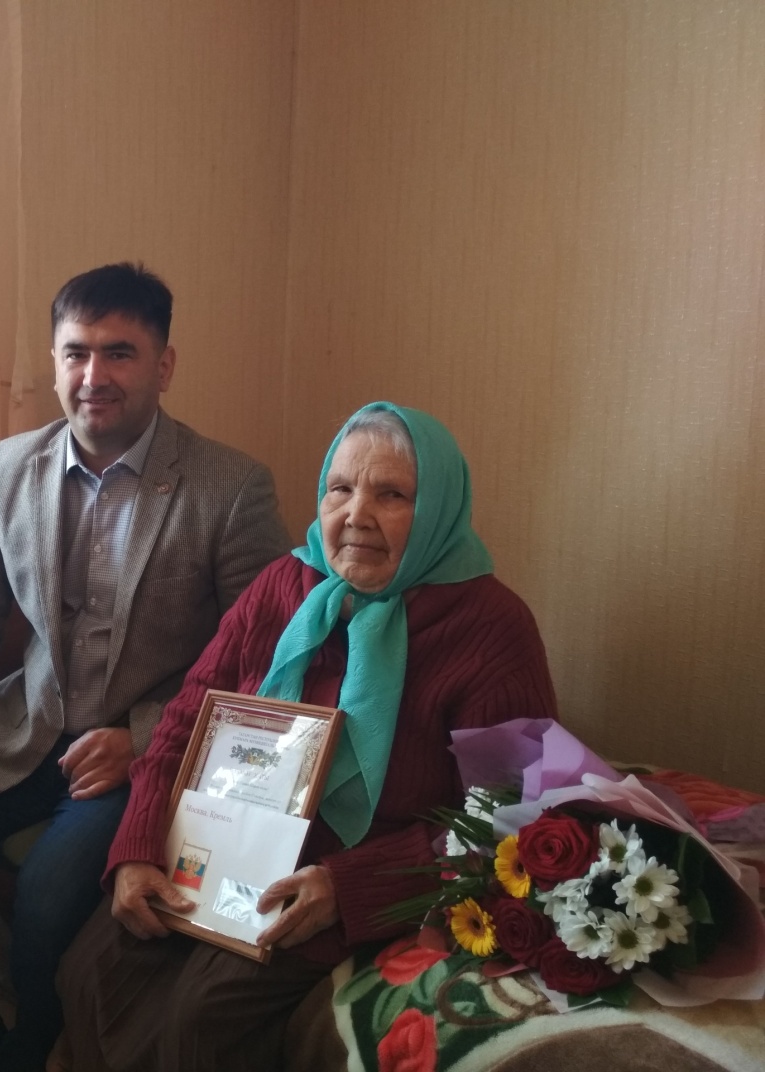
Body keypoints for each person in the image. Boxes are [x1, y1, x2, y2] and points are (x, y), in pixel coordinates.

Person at [0, 262, 293, 1072]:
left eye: (119, 353)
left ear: (163, 365)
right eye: (75, 353)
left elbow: (262, 660)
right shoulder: (8, 467)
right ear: (55, 361)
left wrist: (145, 739)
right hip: (24, 727)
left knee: (47, 900)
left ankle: (33, 1050)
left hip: (140, 755)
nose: (92, 376)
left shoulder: (230, 487)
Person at [60, 402, 559, 1071]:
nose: (356, 515)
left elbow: (505, 814)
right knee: (88, 973)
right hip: (225, 849)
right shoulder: (285, 585)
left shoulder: (490, 626)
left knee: (201, 1022)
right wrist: (138, 848)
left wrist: (348, 888)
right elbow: (186, 718)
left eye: (391, 495)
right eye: (340, 488)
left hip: (351, 875)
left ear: (439, 507)